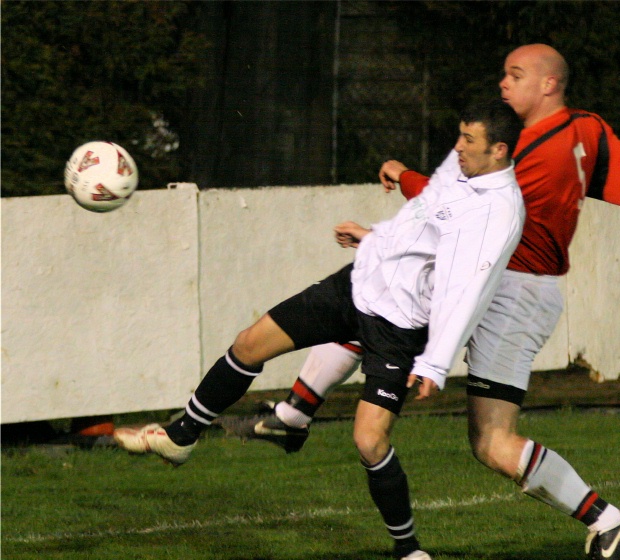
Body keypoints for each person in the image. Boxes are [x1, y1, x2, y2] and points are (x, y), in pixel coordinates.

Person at [242, 44, 620, 560]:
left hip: (515, 295)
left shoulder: (531, 150)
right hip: (502, 287)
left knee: (492, 442)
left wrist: (402, 178)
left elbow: (450, 205)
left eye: (515, 76)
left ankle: (609, 520)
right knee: (377, 301)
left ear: (549, 85)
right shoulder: (588, 132)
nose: (503, 86)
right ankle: (294, 413)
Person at [113, 100, 526, 560]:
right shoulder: (462, 168)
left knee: (369, 440)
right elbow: (425, 220)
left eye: (469, 140)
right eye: (460, 135)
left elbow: (468, 288)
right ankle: (182, 436)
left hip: (401, 325)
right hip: (356, 285)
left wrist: (435, 360)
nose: (458, 147)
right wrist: (374, 237)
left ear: (500, 150)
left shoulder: (499, 212)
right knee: (250, 343)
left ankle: (408, 551)